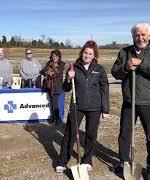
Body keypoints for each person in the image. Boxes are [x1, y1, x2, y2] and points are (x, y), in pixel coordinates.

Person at [111, 22, 150, 180]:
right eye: (137, 35)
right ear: (133, 36)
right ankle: (124, 163)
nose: (140, 37)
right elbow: (115, 72)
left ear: (149, 36)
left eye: (143, 34)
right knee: (124, 134)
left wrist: (142, 64)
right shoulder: (125, 52)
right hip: (129, 101)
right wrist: (126, 66)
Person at [55, 40, 109, 173]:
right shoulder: (73, 67)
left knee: (91, 134)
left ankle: (87, 160)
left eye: (91, 54)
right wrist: (68, 78)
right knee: (70, 133)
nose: (87, 56)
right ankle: (62, 161)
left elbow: (104, 90)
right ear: (82, 53)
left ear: (94, 56)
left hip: (94, 107)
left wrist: (105, 109)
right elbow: (66, 88)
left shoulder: (99, 69)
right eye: (85, 52)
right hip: (76, 106)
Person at [41, 49, 65, 124]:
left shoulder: (61, 64)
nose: (54, 57)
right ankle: (53, 117)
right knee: (51, 103)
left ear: (59, 56)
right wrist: (47, 71)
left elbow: (57, 74)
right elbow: (42, 71)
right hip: (49, 86)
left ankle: (57, 119)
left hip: (57, 87)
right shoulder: (49, 63)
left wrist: (50, 71)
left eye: (56, 56)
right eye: (53, 56)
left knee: (55, 103)